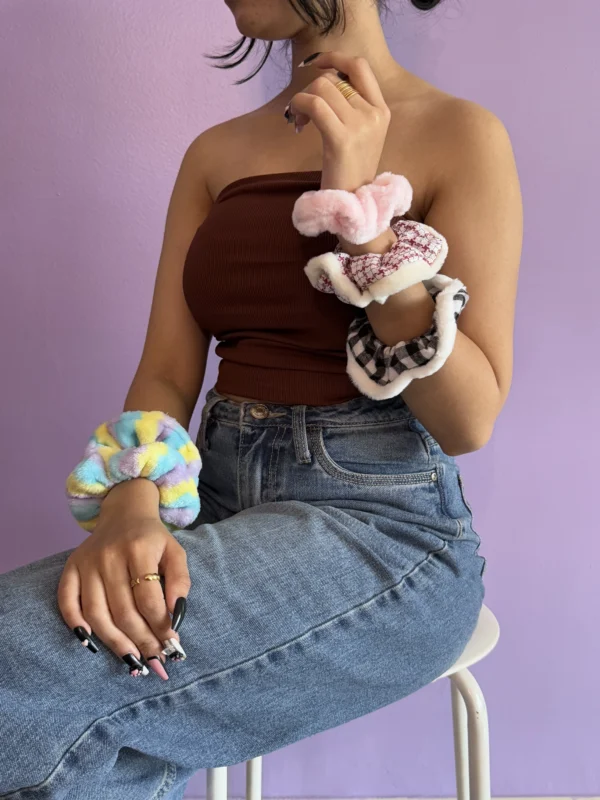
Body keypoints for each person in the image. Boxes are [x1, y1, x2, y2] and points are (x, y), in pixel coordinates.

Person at [0, 0, 522, 797]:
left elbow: (468, 420)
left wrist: (365, 227)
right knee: (93, 749)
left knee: (16, 656)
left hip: (383, 536)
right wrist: (133, 503)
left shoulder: (460, 134)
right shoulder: (215, 154)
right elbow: (167, 373)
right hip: (214, 503)